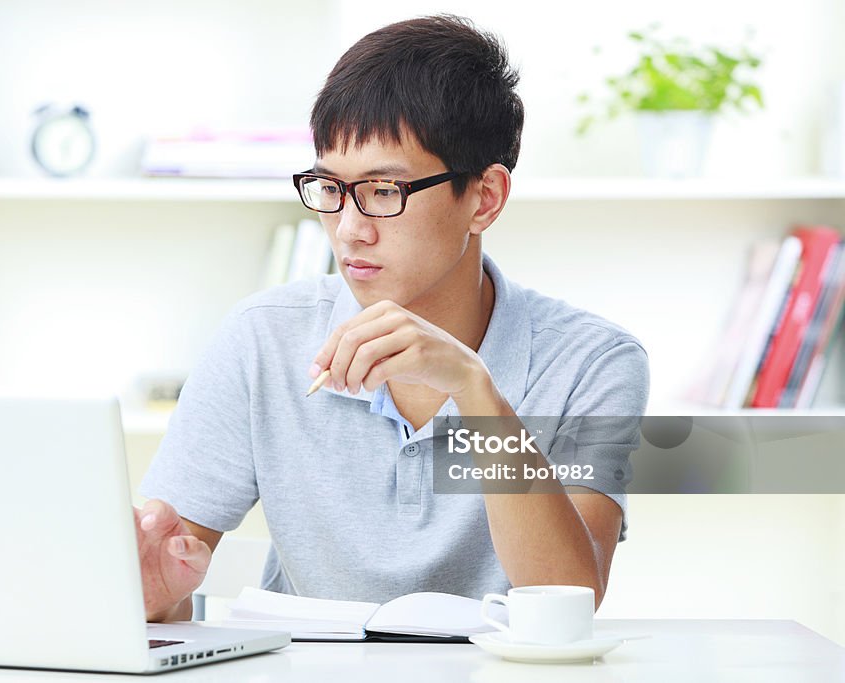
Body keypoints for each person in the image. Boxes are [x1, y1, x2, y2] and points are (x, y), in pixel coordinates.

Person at [135, 14, 649, 622]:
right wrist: (155, 595)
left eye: (384, 190)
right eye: (330, 187)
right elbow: (158, 587)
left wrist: (475, 390)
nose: (350, 228)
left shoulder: (595, 361)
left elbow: (571, 599)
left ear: (484, 198)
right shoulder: (262, 338)